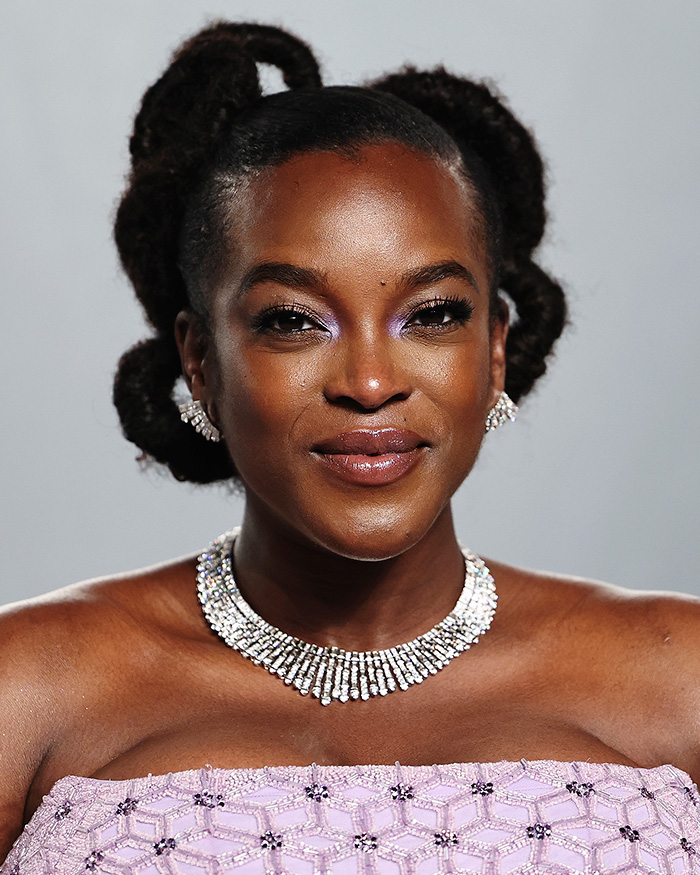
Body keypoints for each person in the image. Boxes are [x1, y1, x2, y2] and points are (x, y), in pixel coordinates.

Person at [1, 21, 699, 875]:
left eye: (433, 314)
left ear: (495, 352)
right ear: (200, 363)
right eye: (292, 321)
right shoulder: (26, 692)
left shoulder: (681, 680)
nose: (369, 382)